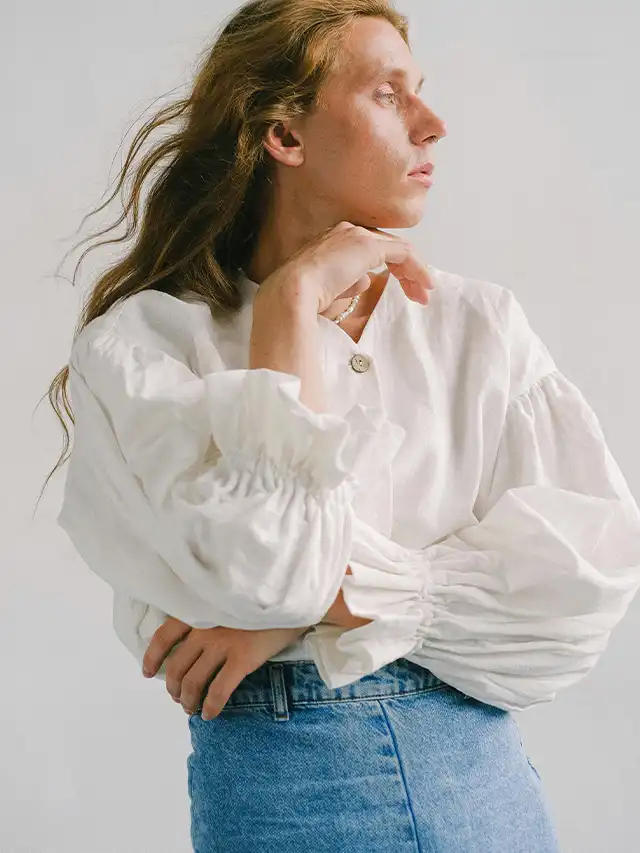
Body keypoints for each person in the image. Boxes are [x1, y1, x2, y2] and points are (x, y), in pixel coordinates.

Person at [43, 2, 640, 851]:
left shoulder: (476, 324)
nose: (434, 125)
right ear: (283, 134)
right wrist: (291, 299)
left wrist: (321, 606)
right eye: (390, 95)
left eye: (420, 92)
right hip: (285, 798)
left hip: (479, 783)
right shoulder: (145, 349)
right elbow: (271, 574)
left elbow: (586, 587)